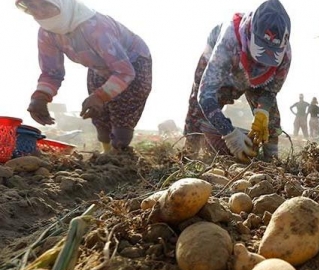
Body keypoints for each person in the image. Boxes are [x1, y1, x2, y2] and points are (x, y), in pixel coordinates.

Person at [17, 0, 152, 154]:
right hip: (98, 67)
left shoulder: (95, 28)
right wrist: (40, 97)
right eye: (33, 6)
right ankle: (107, 155)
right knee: (99, 116)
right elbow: (52, 72)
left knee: (122, 120)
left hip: (133, 62)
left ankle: (118, 159)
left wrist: (101, 96)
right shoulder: (46, 33)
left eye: (46, 4)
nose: (40, 12)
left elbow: (125, 72)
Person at [183, 0, 291, 163]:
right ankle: (189, 156)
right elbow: (205, 96)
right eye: (260, 57)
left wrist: (263, 111)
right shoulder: (229, 41)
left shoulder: (285, 55)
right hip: (228, 64)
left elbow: (270, 91)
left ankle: (272, 160)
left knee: (271, 116)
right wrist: (230, 134)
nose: (261, 64)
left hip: (259, 81)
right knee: (198, 109)